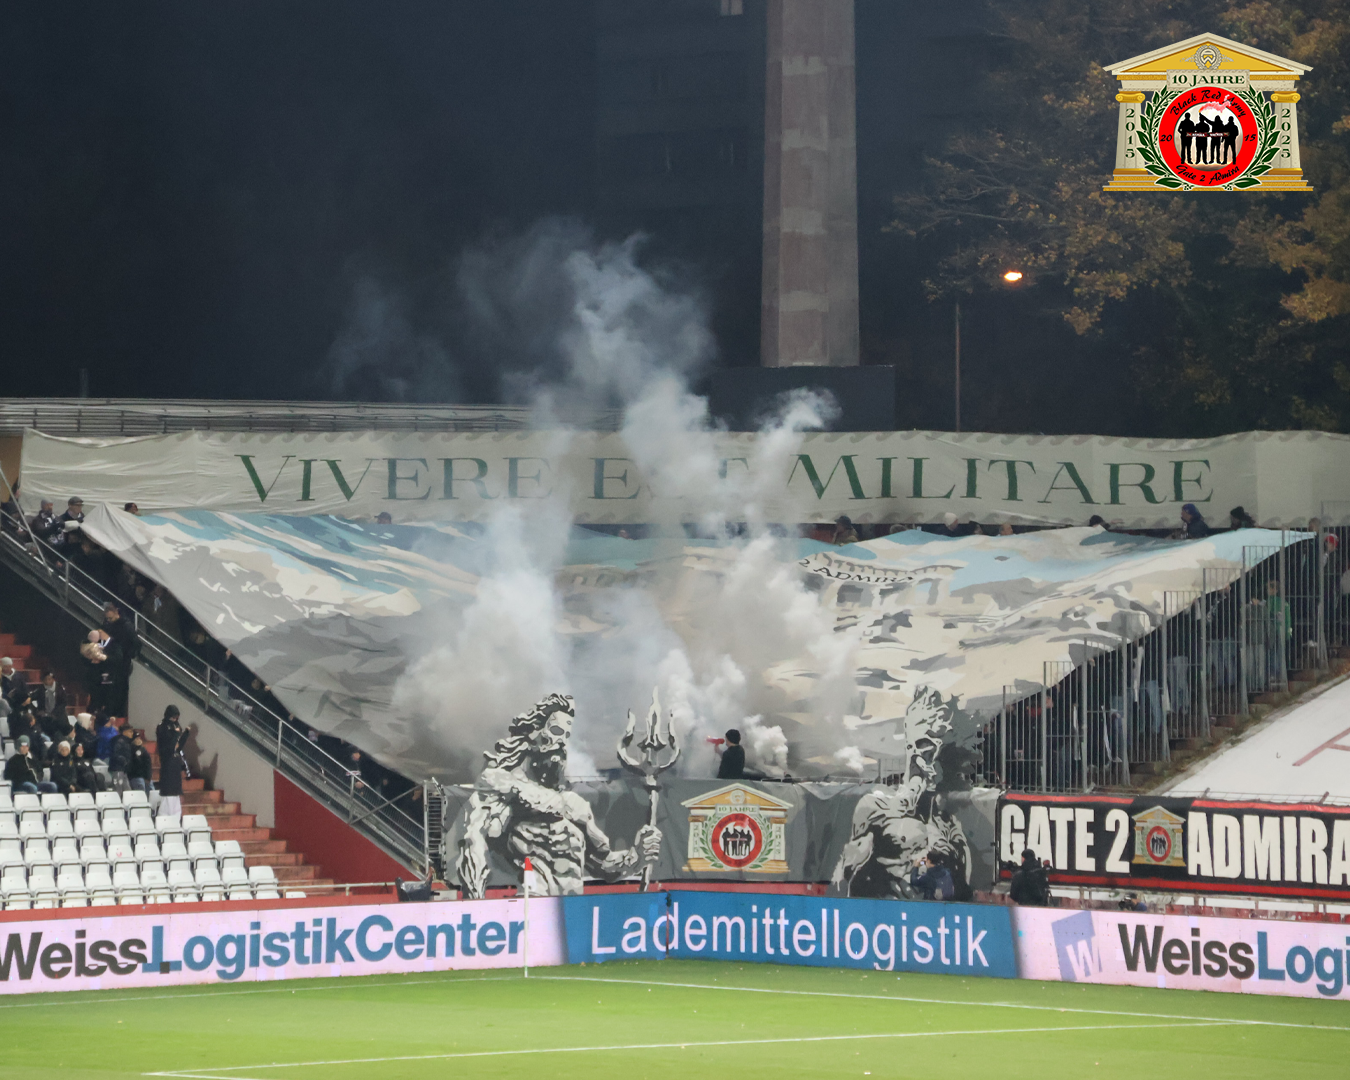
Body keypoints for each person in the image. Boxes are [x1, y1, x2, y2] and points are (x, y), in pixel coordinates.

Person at [156, 705, 189, 816]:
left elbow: (178, 746)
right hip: (167, 762)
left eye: (176, 718)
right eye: (173, 717)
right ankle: (165, 817)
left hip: (175, 763)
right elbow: (168, 746)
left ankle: (175, 817)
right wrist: (175, 734)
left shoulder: (176, 725)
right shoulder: (162, 727)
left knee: (175, 795)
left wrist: (185, 735)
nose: (175, 720)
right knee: (168, 795)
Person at [126, 730, 153, 794]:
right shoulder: (130, 749)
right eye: (136, 738)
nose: (138, 740)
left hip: (145, 776)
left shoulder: (143, 749)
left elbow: (148, 763)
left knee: (151, 791)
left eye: (139, 738)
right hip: (136, 776)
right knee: (141, 791)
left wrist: (148, 776)